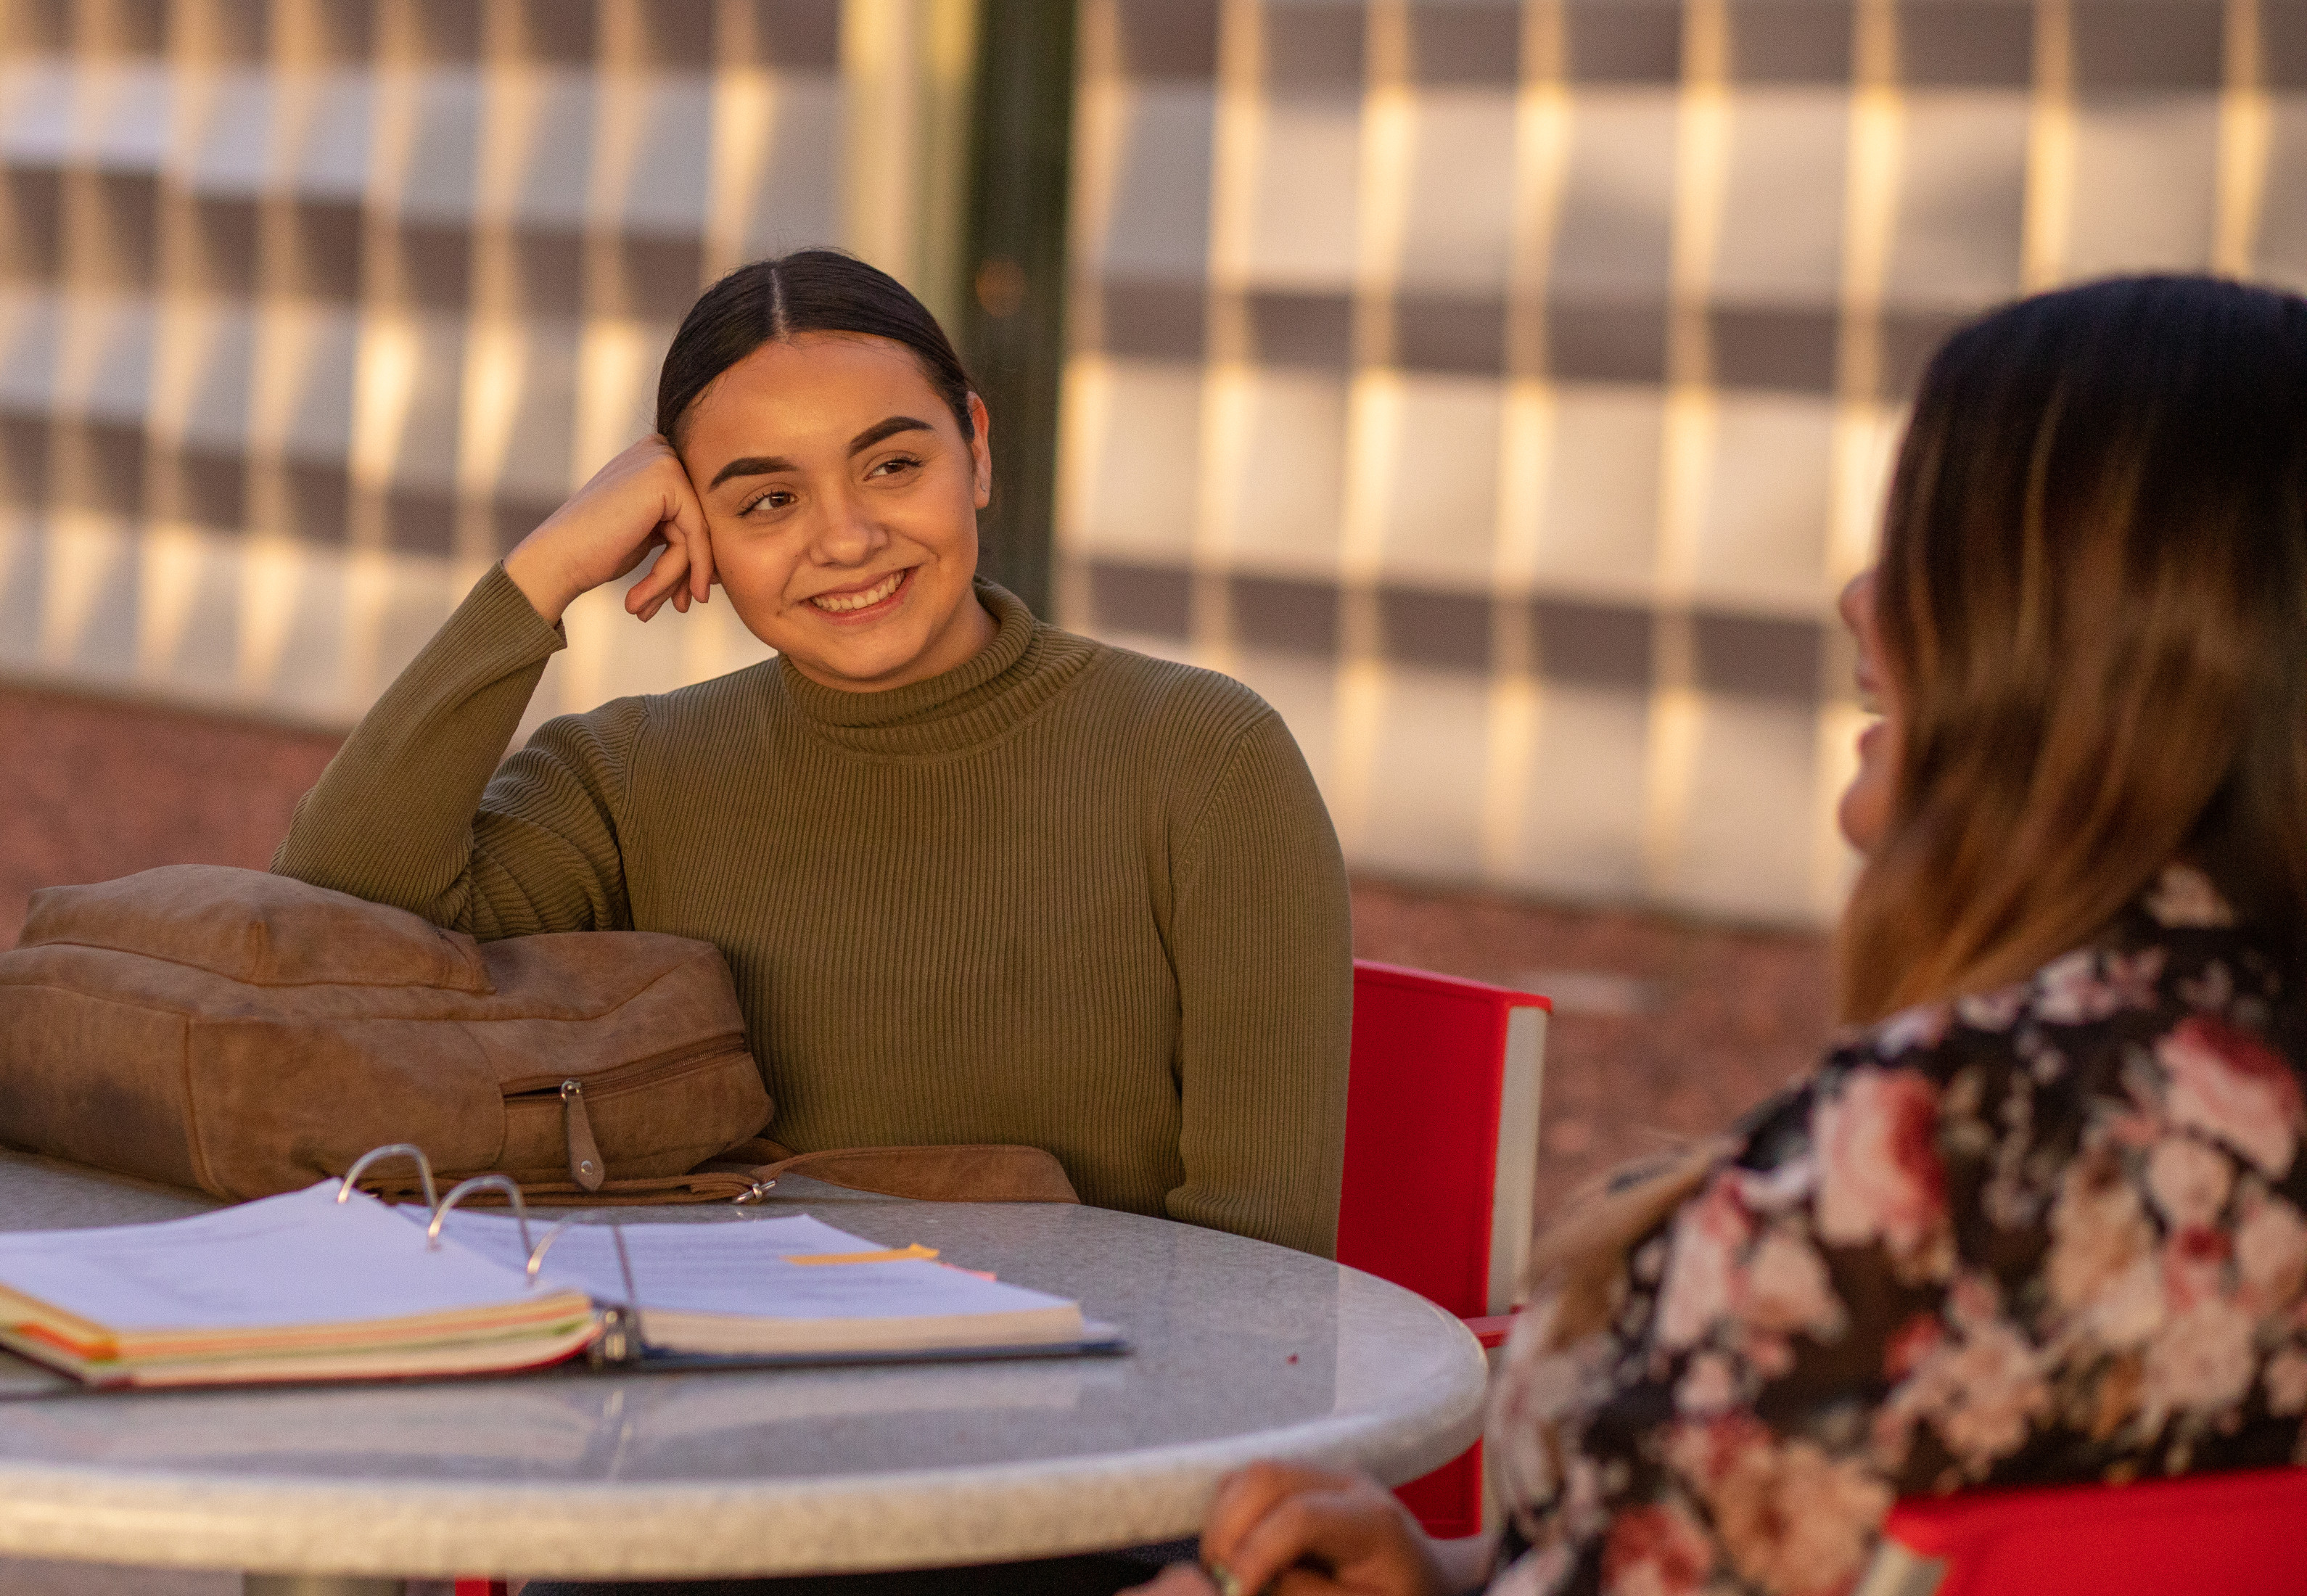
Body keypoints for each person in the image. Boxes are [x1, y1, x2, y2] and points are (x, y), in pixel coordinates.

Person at [1126, 273, 2307, 1596]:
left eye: (1931, 552)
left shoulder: (1944, 1146)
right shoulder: (2228, 1082)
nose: (1863, 600)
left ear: (2102, 644)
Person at [273, 248, 1352, 1259]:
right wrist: (542, 574)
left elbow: (1261, 1263)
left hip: (1097, 1424)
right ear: (688, 525)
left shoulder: (1206, 761)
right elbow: (334, 917)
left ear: (976, 447)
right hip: (718, 1424)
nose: (845, 539)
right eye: (769, 501)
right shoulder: (630, 779)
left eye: (890, 465)